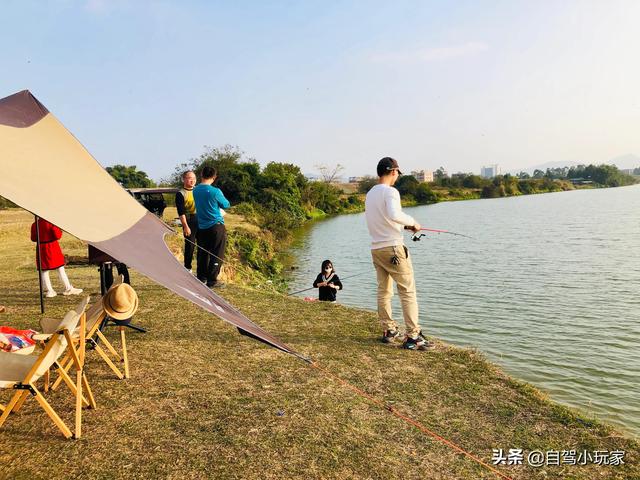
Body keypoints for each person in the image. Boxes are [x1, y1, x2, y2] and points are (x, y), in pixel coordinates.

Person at [364, 157, 434, 351]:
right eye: (397, 173)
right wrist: (412, 223)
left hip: (376, 248)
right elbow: (394, 215)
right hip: (393, 248)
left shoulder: (370, 194)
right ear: (393, 172)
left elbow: (382, 219)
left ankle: (389, 330)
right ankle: (413, 336)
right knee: (407, 291)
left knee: (384, 291)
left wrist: (403, 227)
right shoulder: (391, 192)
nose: (397, 177)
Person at [193, 166, 230, 288]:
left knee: (203, 253)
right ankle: (212, 280)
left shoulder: (195, 190)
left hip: (202, 227)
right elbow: (226, 204)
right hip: (216, 226)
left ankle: (201, 277)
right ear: (214, 177)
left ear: (201, 175)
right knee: (217, 253)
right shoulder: (215, 191)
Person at [30, 218, 82, 298]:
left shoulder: (35, 224)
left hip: (41, 248)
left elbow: (33, 238)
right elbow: (58, 235)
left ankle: (50, 291)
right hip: (52, 247)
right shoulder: (51, 223)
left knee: (44, 271)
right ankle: (68, 289)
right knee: (60, 269)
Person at [175, 170, 198, 273]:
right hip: (189, 220)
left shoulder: (199, 190)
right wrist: (185, 226)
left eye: (194, 178)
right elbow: (181, 211)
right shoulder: (181, 193)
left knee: (203, 245)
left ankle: (202, 270)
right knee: (190, 244)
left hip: (201, 219)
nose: (192, 180)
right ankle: (187, 267)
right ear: (184, 179)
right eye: (189, 178)